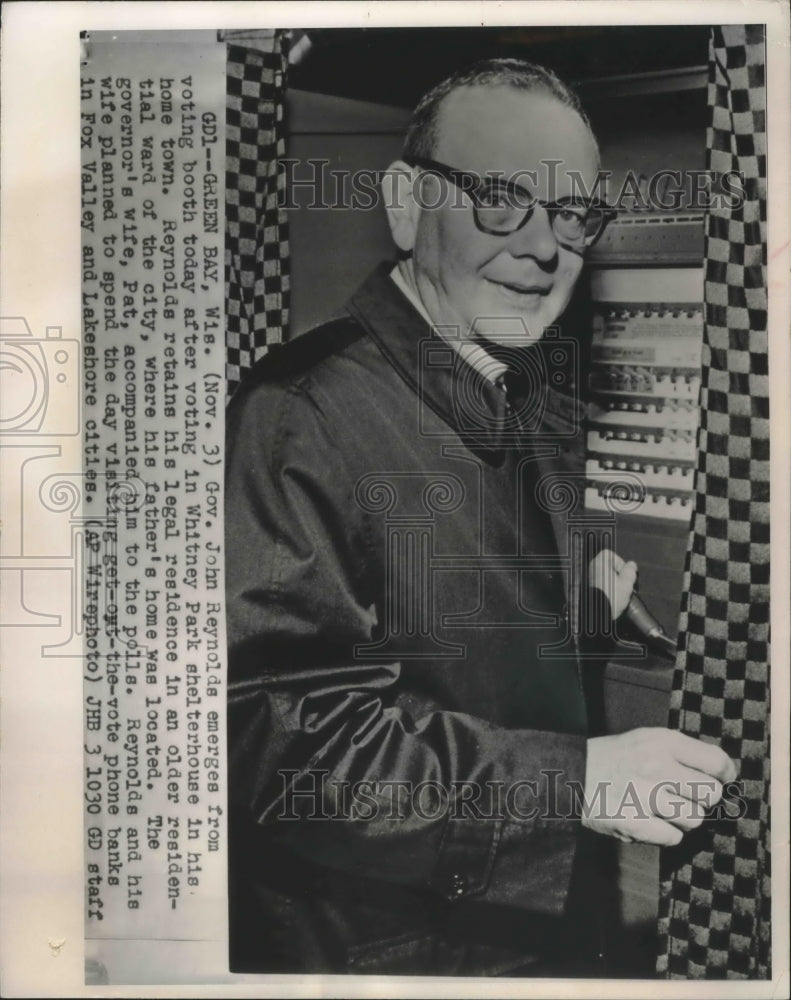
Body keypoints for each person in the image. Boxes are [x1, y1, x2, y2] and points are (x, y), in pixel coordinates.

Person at [225, 59, 736, 977]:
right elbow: (274, 747)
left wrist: (566, 601)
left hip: (533, 930)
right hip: (389, 958)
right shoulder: (296, 411)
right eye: (502, 198)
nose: (544, 248)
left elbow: (436, 627)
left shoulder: (519, 388)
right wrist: (577, 781)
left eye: (572, 215)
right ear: (407, 204)